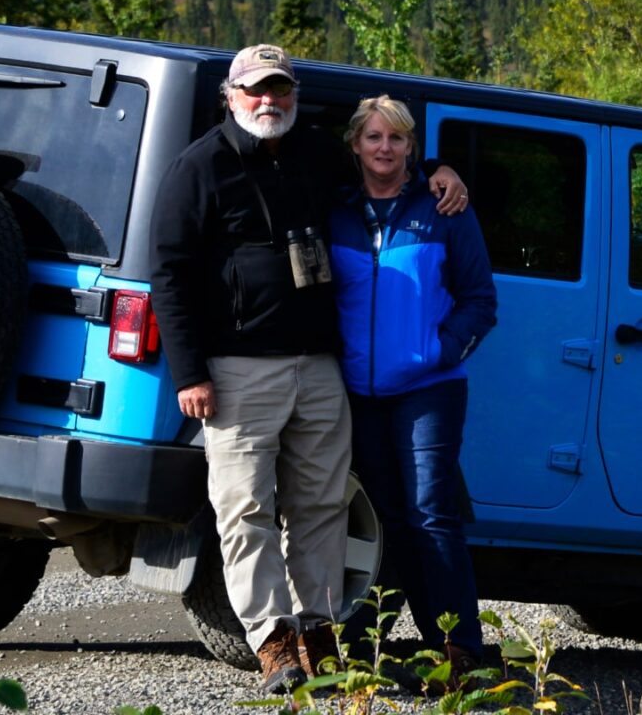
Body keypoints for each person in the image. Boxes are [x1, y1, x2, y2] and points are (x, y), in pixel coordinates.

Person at [147, 46, 466, 694]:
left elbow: (385, 161)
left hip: (321, 367)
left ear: (294, 94)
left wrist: (439, 169)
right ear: (230, 95)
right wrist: (189, 374)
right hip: (235, 370)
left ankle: (320, 631)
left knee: (321, 504)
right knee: (244, 509)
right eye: (257, 90)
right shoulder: (198, 167)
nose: (270, 101)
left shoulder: (318, 153)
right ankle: (273, 642)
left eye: (281, 89)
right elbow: (169, 274)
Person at [328, 94, 498, 677]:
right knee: (386, 519)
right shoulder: (337, 210)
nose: (385, 148)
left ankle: (462, 650)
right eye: (374, 137)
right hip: (361, 392)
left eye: (396, 138)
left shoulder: (444, 208)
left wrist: (438, 352)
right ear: (356, 144)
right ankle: (402, 643)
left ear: (411, 148)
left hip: (431, 388)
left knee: (432, 513)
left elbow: (481, 301)